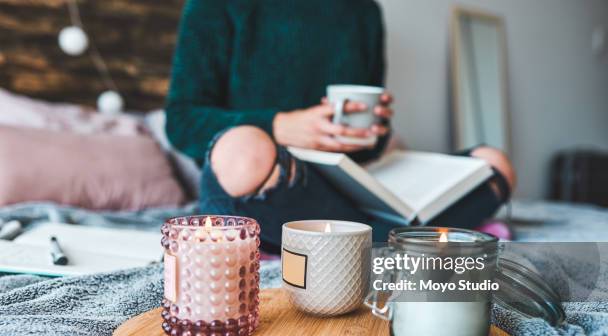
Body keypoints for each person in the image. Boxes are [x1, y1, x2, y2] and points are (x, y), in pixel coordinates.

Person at [166, 0, 515, 251]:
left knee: (493, 163)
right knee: (243, 149)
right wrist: (281, 126)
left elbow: (371, 145)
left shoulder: (363, 12)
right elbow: (181, 121)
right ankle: (397, 240)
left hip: (343, 183)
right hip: (271, 183)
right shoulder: (213, 7)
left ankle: (372, 239)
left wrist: (373, 132)